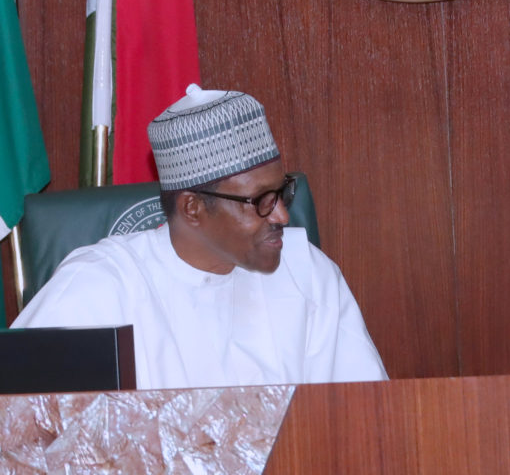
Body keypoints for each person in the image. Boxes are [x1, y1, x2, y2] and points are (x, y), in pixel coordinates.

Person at [13, 84, 388, 389]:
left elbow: (367, 417)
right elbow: (23, 428)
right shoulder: (100, 286)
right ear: (192, 208)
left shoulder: (309, 272)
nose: (282, 215)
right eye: (260, 201)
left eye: (282, 191)